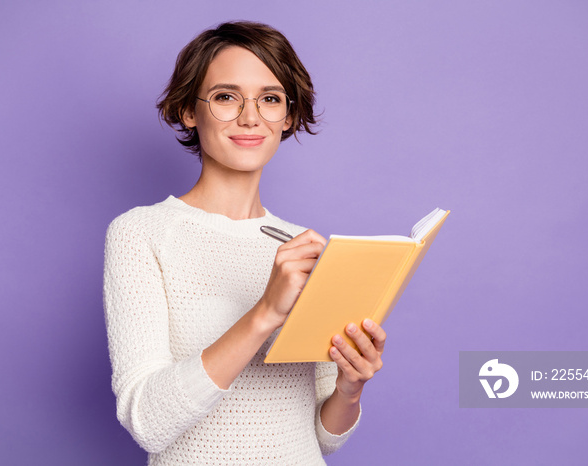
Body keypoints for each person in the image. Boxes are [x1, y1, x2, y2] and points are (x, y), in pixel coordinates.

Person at [103, 21, 386, 465]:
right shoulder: (141, 233)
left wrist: (351, 389)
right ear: (188, 111)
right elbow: (147, 421)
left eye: (270, 99)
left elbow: (322, 437)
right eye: (225, 97)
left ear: (288, 116)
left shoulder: (303, 247)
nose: (250, 117)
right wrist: (264, 314)